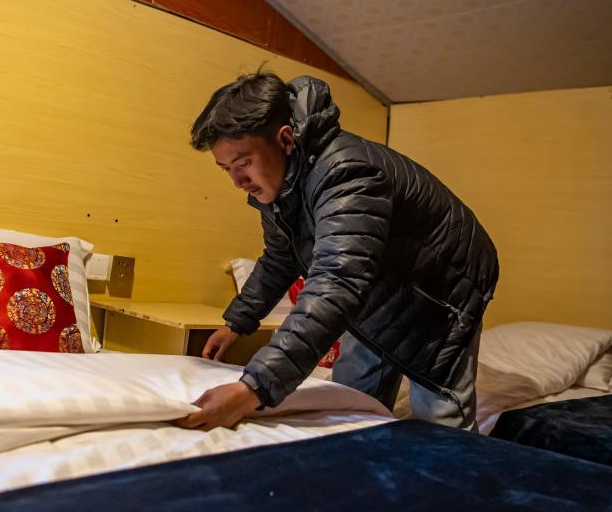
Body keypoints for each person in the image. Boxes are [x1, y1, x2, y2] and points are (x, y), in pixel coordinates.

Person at [174, 71, 499, 433]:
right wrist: (236, 324)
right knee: (349, 401)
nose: (237, 182)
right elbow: (281, 257)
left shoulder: (347, 173)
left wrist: (253, 389)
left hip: (441, 290)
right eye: (226, 169)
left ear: (285, 139)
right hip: (375, 281)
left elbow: (337, 282)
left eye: (243, 164)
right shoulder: (281, 185)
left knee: (439, 423)